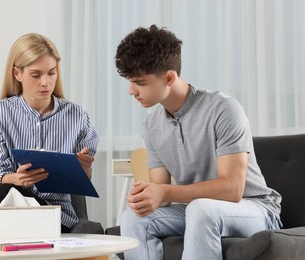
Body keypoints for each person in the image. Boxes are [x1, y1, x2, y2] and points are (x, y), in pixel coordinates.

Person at [115, 25, 282, 260]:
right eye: (130, 81)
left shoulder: (223, 109)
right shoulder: (152, 124)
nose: (131, 91)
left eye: (140, 82)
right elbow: (163, 193)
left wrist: (164, 192)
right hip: (194, 209)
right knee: (133, 218)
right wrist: (147, 195)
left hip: (254, 208)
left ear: (169, 77)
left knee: (201, 209)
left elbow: (233, 190)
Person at [0, 33, 100, 233]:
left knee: (24, 213)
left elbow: (83, 179)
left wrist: (84, 170)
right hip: (4, 205)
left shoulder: (78, 116)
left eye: (51, 73)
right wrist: (16, 179)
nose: (45, 82)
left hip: (53, 213)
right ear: (17, 73)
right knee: (8, 190)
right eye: (36, 75)